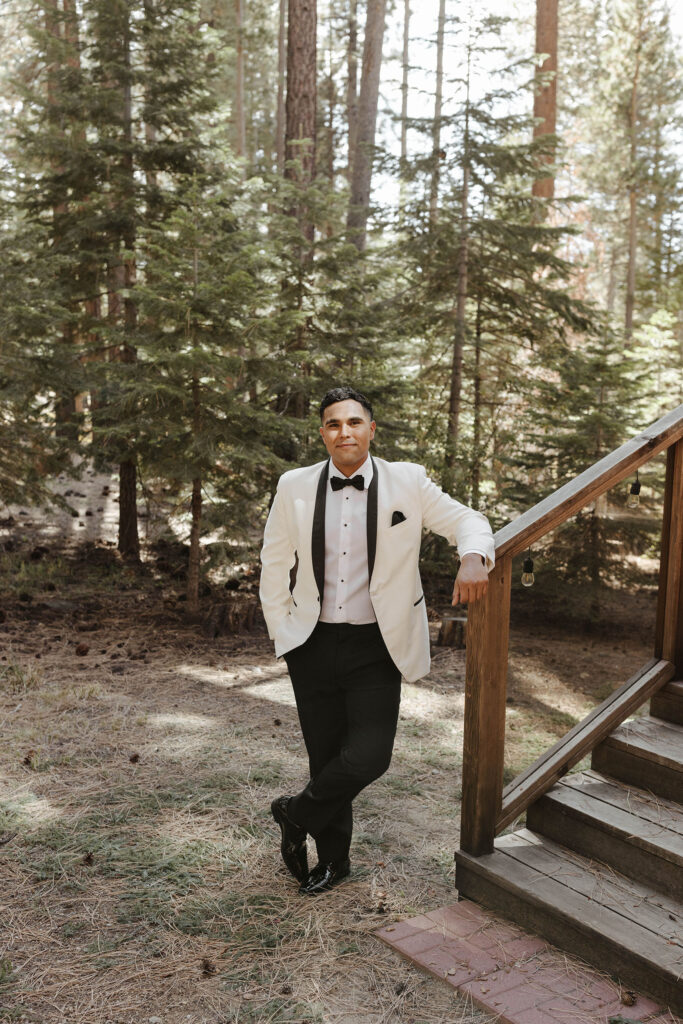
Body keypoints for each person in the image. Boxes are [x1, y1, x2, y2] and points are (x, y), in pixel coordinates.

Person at [259, 386, 494, 895]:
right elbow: (274, 562)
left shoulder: (406, 481)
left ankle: (293, 813)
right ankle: (335, 862)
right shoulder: (294, 486)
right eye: (333, 424)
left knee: (370, 756)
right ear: (322, 433)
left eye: (354, 422)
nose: (344, 431)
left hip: (377, 646)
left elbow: (467, 521)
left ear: (371, 429)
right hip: (312, 644)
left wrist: (473, 556)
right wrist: (284, 633)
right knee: (325, 758)